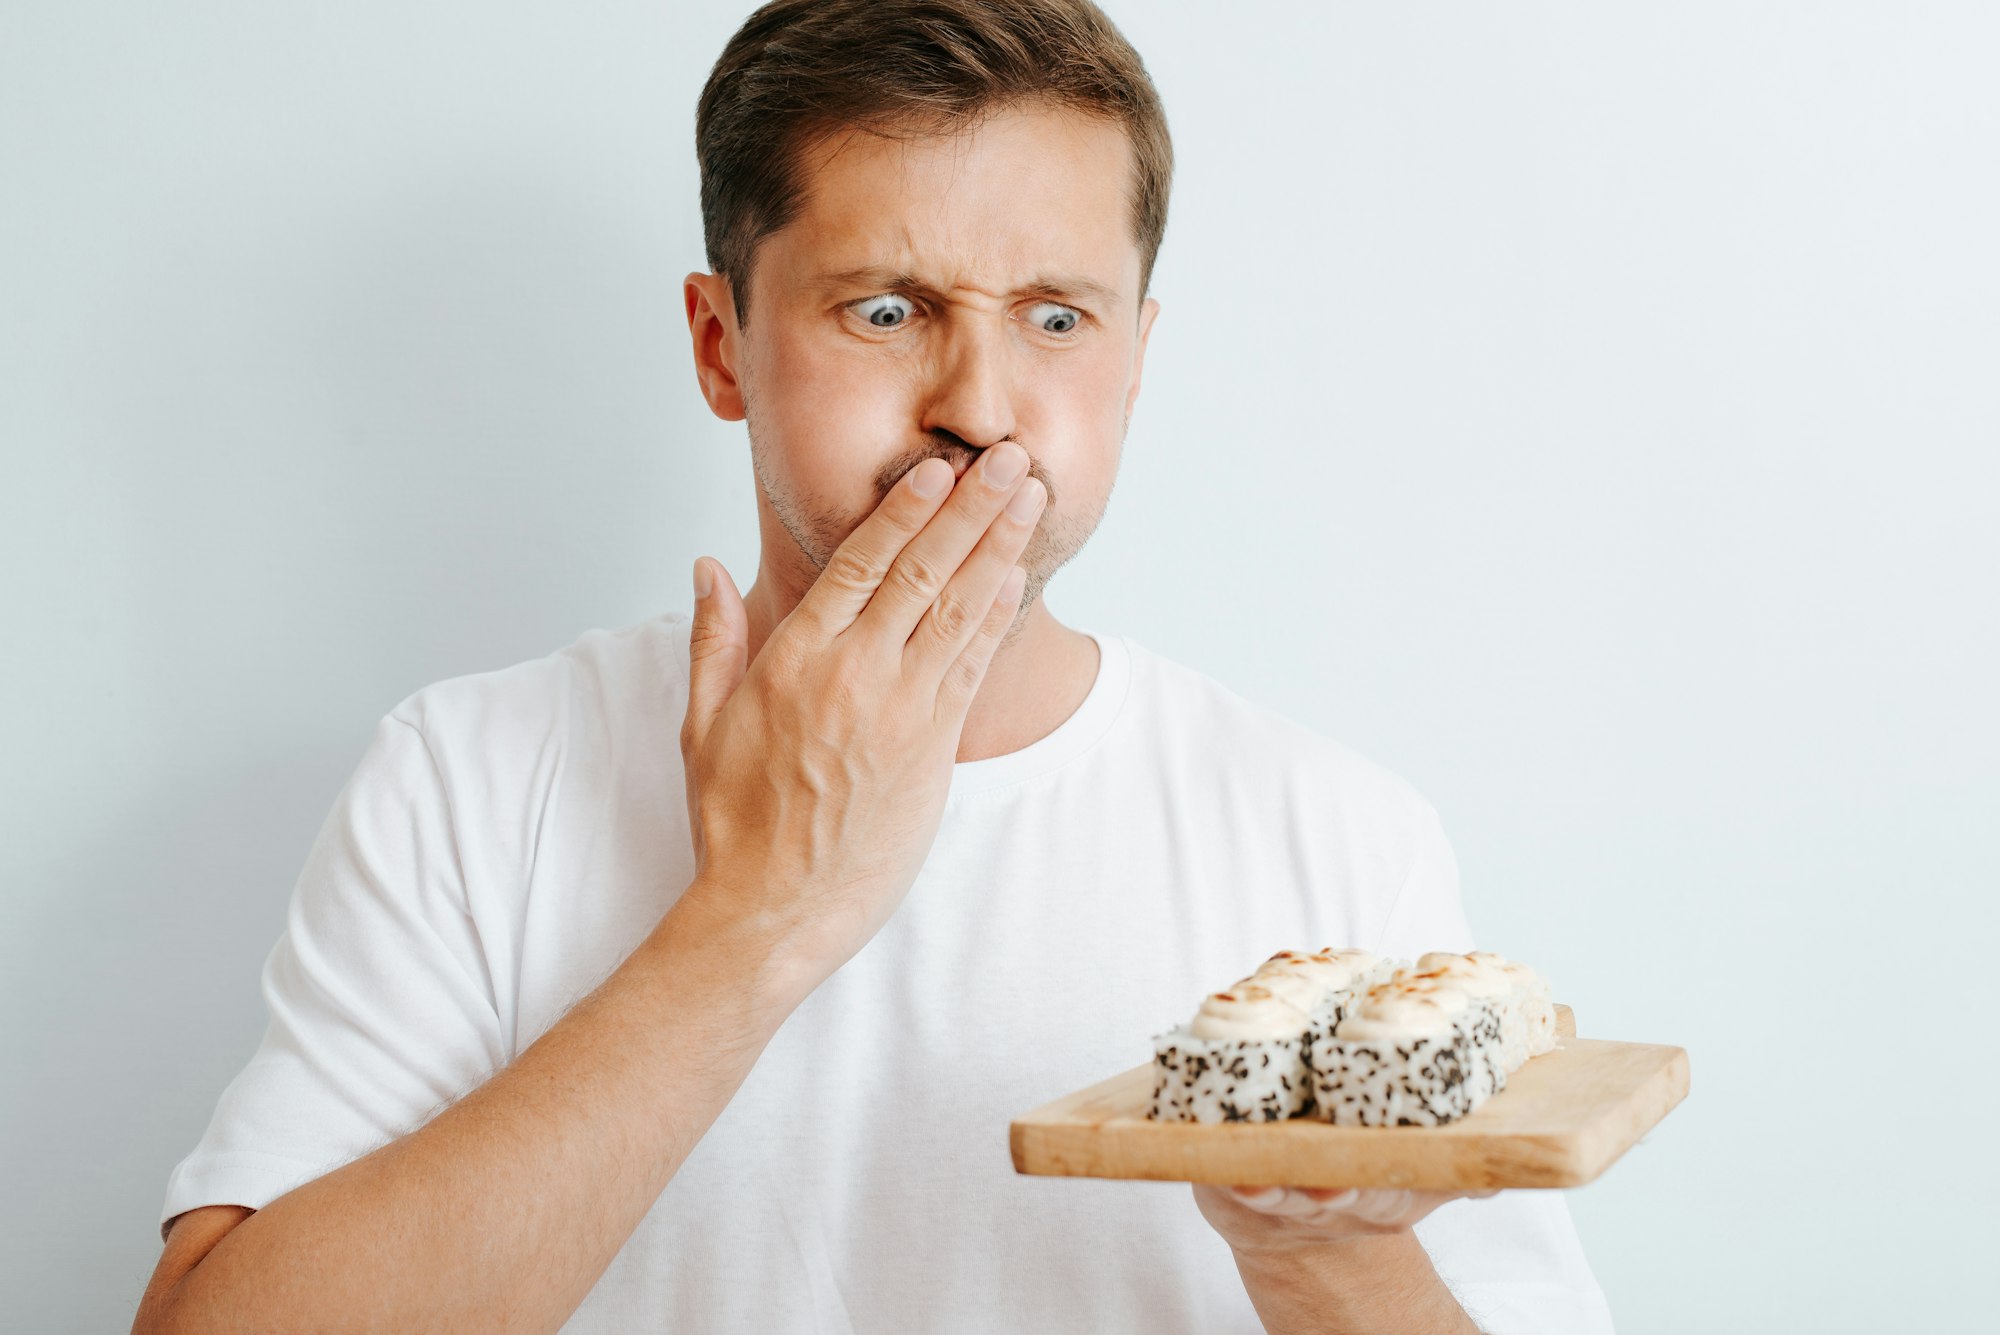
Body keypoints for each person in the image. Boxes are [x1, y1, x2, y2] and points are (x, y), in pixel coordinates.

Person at [133, 2, 1615, 1331]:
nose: (979, 407)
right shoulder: (474, 776)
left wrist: (1324, 1259)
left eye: (1055, 317)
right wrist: (758, 918)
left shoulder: (1332, 829)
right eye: (886, 310)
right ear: (723, 346)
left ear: (1138, 354)